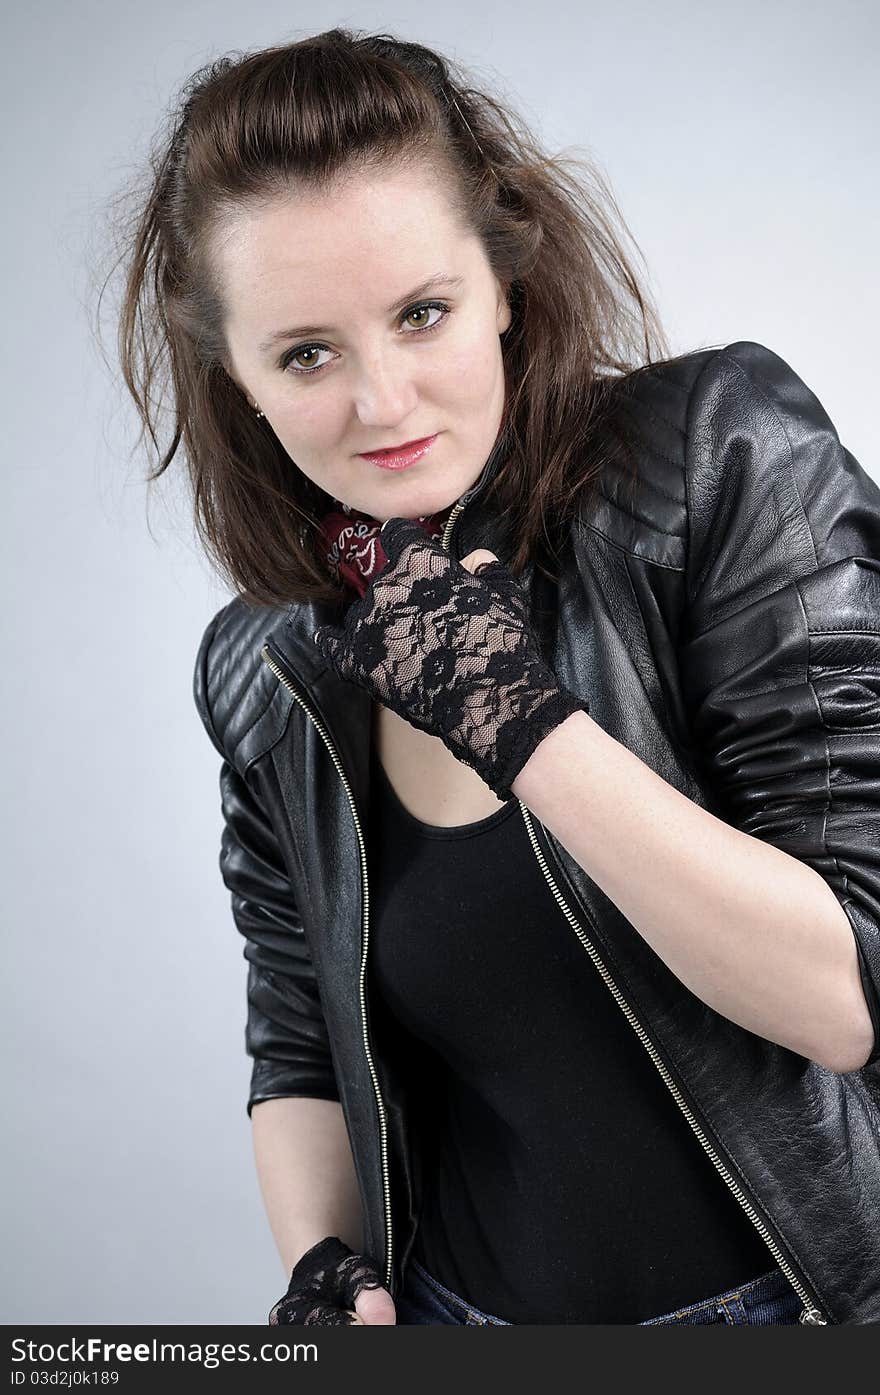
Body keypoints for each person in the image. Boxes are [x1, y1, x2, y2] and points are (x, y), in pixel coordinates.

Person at [110, 28, 880, 1325]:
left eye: (422, 312)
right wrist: (324, 1263)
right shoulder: (267, 666)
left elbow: (845, 997)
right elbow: (298, 1042)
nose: (382, 398)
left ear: (506, 280)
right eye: (307, 353)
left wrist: (522, 726)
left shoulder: (712, 462)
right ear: (234, 377)